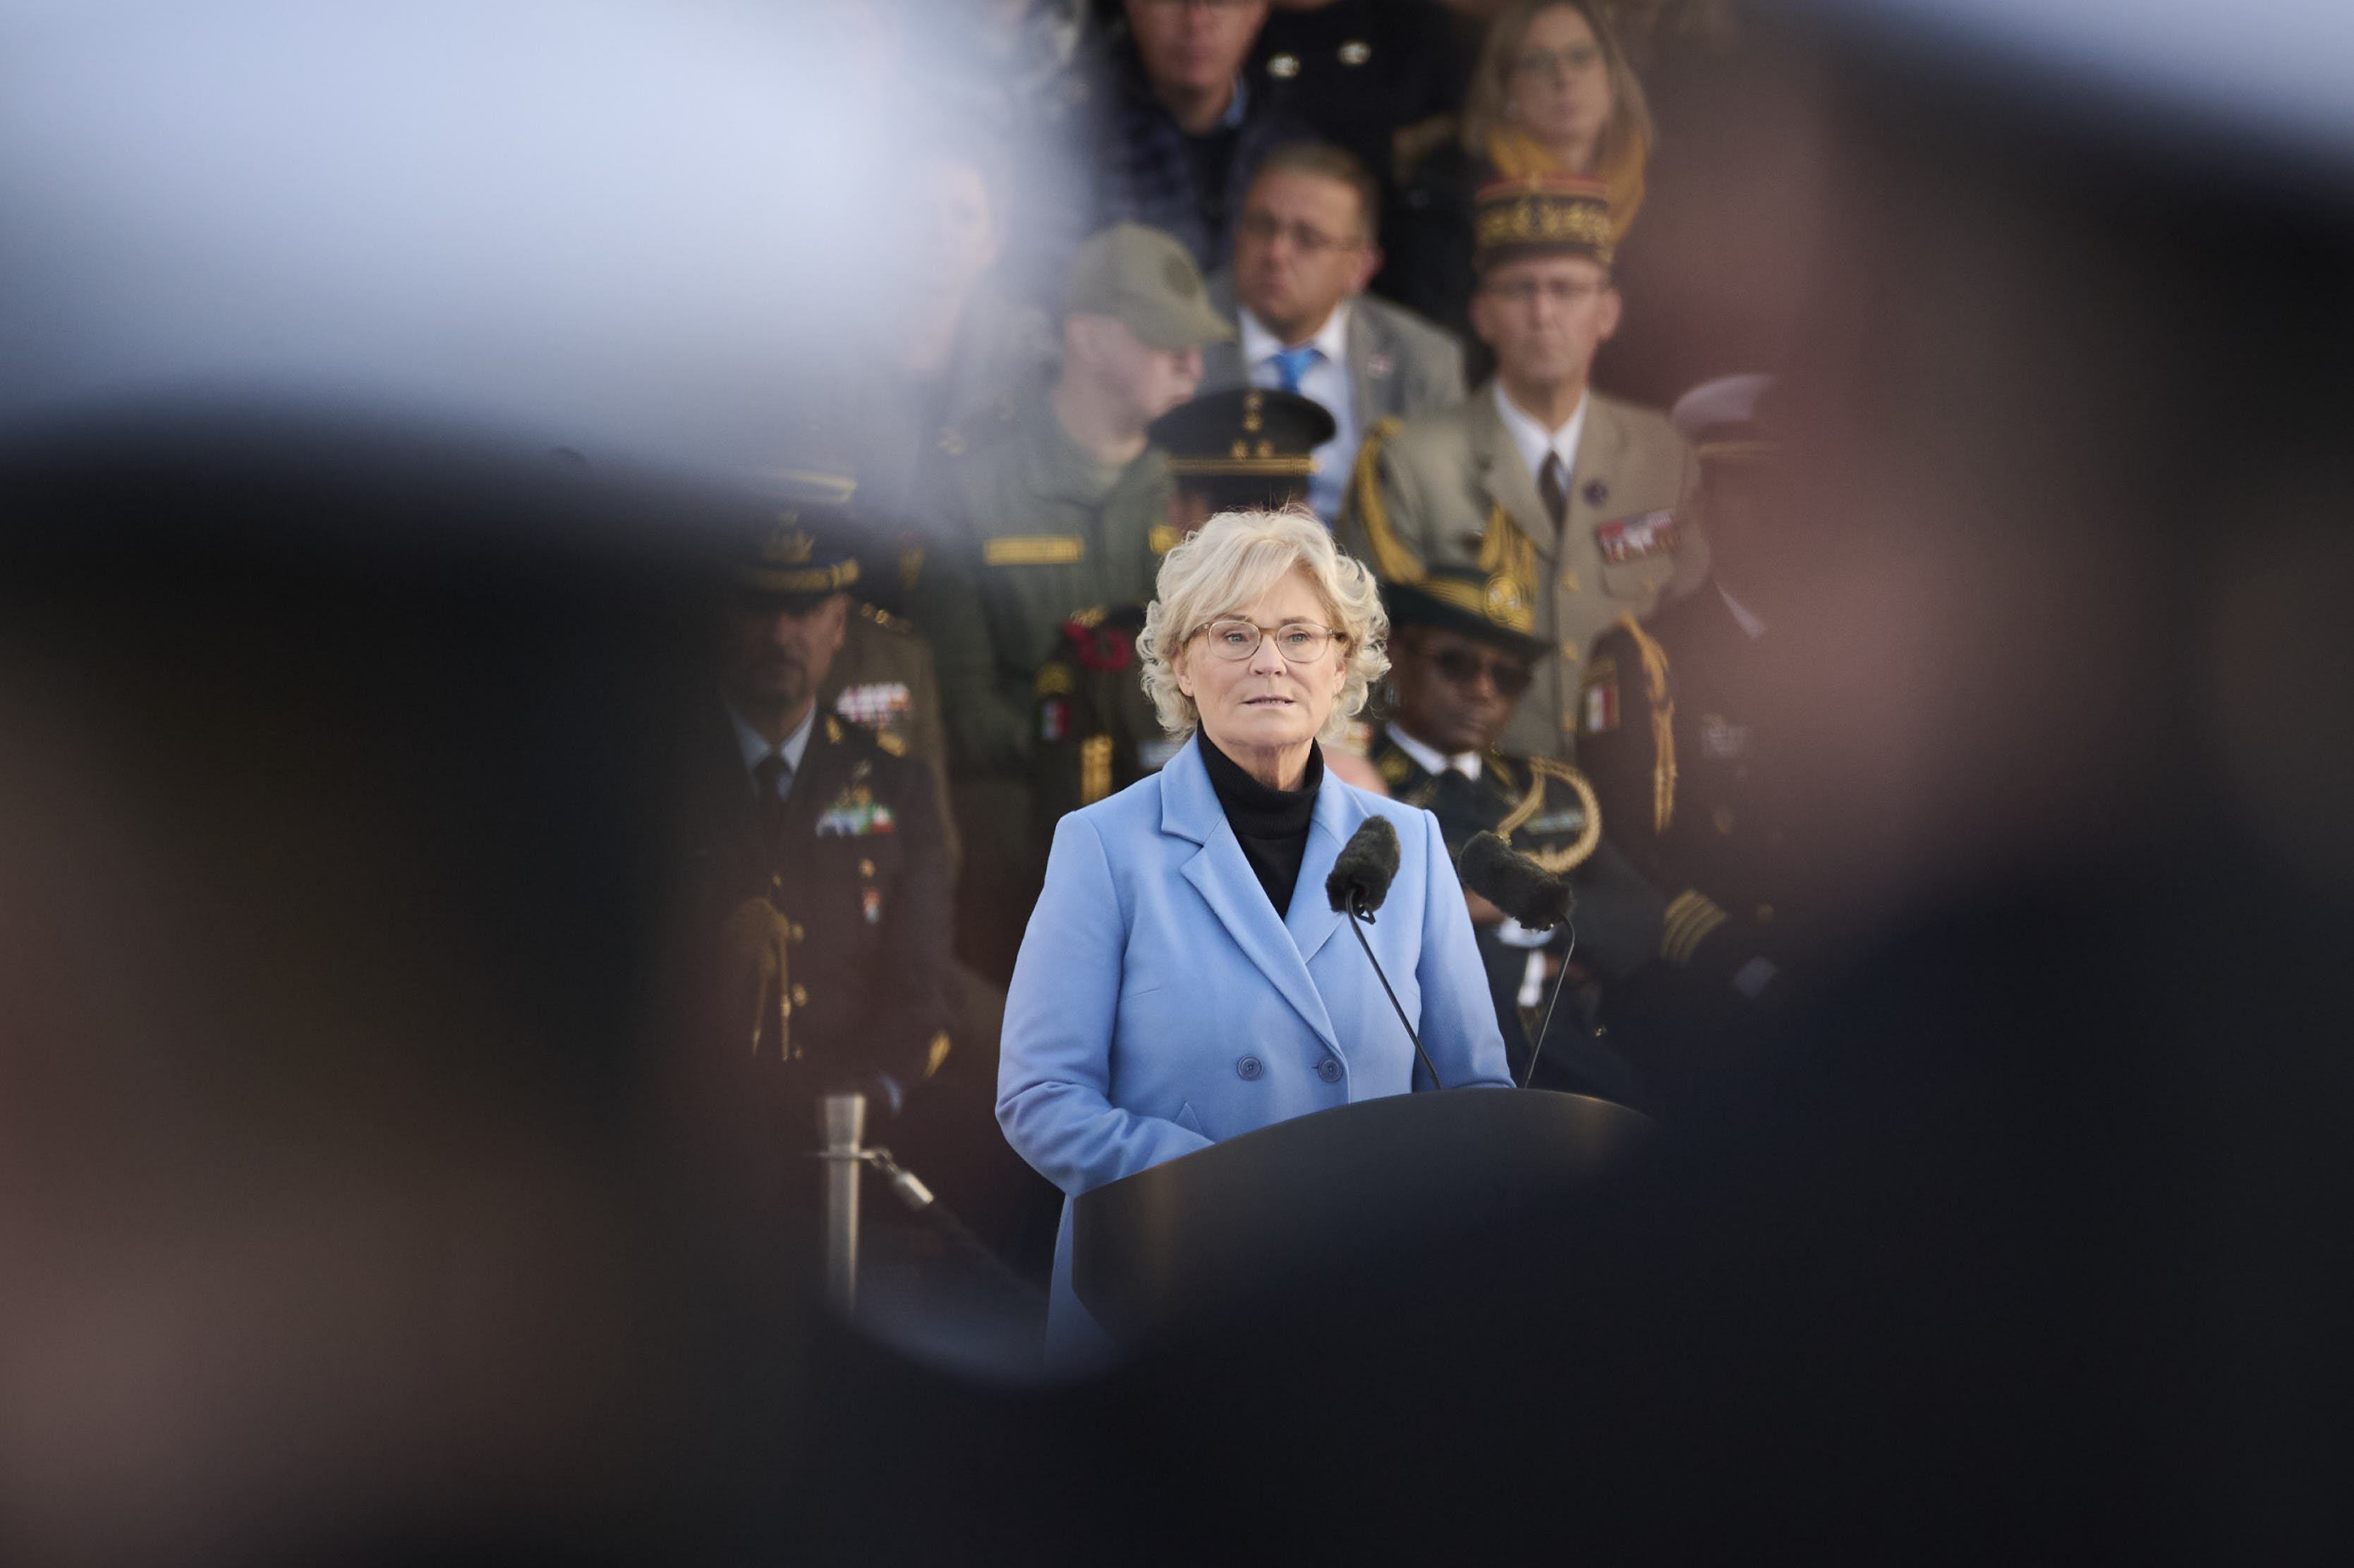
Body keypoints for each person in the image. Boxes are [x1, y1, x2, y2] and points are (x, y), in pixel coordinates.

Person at [996, 509, 1512, 1363]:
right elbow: (1040, 1096)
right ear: (1178, 666)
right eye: (1233, 635)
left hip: (1364, 1293)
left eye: (1299, 635)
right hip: (1162, 1300)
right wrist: (1215, 1191)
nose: (1269, 662)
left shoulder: (1411, 843)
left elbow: (1475, 1089)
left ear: (1341, 662)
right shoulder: (1102, 845)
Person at [919, 220, 1233, 980]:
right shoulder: (970, 484)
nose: (1192, 360)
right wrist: (1084, 750)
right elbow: (959, 711)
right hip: (1031, 836)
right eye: (1163, 337)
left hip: (1190, 835)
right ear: (1089, 341)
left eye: (1196, 339)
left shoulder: (1205, 485)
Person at [1372, 563, 1771, 1102]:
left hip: (1570, 1073)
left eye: (1506, 675)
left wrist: (1508, 911)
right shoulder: (1351, 784)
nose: (1482, 690)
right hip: (1419, 1082)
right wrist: (1535, 951)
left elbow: (1640, 917)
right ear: (1396, 656)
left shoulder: (1552, 793)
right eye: (1455, 664)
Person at [1341, 174, 1699, 760]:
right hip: (1476, 813)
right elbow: (1367, 657)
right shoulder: (1411, 460)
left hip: (1637, 799)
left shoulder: (1664, 455)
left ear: (1607, 312)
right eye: (1519, 290)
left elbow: (1699, 636)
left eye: (1565, 290)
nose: (1542, 313)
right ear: (1481, 315)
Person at [682, 513, 958, 1133]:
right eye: (759, 608)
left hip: (849, 1106)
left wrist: (866, 1097)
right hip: (688, 1118)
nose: (780, 635)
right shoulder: (660, 777)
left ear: (838, 624)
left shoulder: (895, 785)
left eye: (804, 612)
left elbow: (920, 981)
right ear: (723, 619)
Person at [1578, 373, 1799, 1006]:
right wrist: (1743, 965)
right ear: (1702, 507)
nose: (1773, 512)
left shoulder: (1854, 659)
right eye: (1749, 490)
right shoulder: (1637, 658)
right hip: (1701, 989)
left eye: (1791, 491)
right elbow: (1622, 848)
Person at [1201, 142, 1467, 523]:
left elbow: (1444, 517)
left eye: (1307, 239)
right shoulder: (1179, 341)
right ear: (1235, 234)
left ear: (1360, 268)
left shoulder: (1423, 361)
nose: (1277, 252)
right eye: (1262, 226)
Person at [840, 140, 1062, 583]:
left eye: (964, 215)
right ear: (881, 226)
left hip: (984, 590)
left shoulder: (1034, 358)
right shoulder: (828, 340)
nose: (941, 230)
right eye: (921, 210)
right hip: (850, 584)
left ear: (994, 241)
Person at [1382, 0, 1651, 346]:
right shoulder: (1449, 188)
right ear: (1505, 89)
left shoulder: (1673, 184)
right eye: (1538, 63)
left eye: (1582, 56)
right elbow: (1439, 344)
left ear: (1612, 73)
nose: (1564, 77)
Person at [1091, 0, 1311, 270]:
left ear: (1258, 11)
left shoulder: (1298, 150)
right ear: (1133, 7)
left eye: (1220, 3)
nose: (1196, 22)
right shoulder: (1074, 140)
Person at [1245, 0, 1476, 187]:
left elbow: (1469, 127)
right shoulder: (1231, 24)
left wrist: (1409, 145)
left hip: (1393, 221)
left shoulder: (1417, 26)